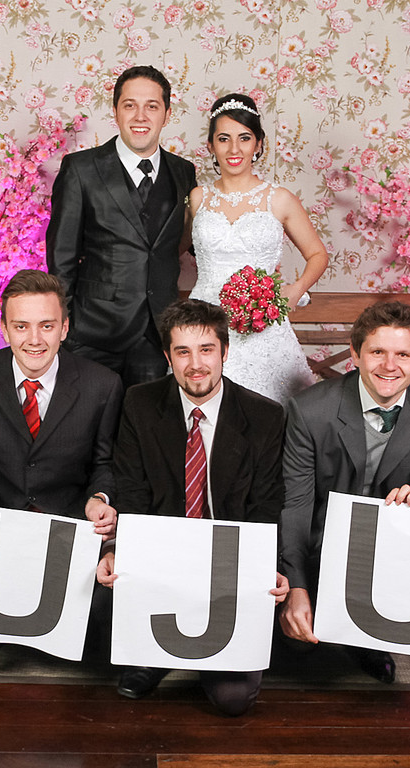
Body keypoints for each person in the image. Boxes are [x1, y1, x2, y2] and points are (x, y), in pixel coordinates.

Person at [98, 298, 288, 716]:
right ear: (168, 357)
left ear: (225, 352)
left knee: (233, 701)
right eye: (182, 352)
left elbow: (266, 505)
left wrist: (267, 567)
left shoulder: (264, 416)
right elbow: (132, 492)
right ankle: (156, 656)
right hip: (161, 559)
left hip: (229, 565)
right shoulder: (139, 403)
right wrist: (116, 550)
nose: (196, 364)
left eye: (206, 350)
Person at [0, 269, 123, 660]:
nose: (34, 339)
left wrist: (99, 498)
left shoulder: (102, 384)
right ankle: (1, 626)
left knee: (106, 605)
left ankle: (23, 627)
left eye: (46, 325)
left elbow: (105, 463)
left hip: (65, 526)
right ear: (4, 329)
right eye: (21, 326)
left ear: (64, 328)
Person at [278, 300, 410, 683]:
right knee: (302, 654)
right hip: (322, 546)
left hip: (392, 549)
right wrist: (296, 585)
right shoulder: (309, 411)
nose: (389, 365)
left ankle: (371, 641)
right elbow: (295, 505)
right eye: (377, 352)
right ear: (356, 355)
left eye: (402, 355)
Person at [47, 65, 197, 387]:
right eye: (130, 105)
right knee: (88, 417)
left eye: (152, 106)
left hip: (158, 333)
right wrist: (64, 325)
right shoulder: (81, 169)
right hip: (91, 333)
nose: (140, 116)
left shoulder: (184, 172)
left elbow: (198, 241)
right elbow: (61, 257)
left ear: (167, 114)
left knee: (146, 418)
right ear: (115, 111)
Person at [188, 93, 329, 404]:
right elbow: (169, 251)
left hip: (262, 323)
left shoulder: (279, 199)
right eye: (223, 139)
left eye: (244, 138)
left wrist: (296, 290)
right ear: (210, 146)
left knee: (270, 410)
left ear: (258, 144)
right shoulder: (197, 198)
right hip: (204, 320)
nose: (234, 149)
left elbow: (318, 255)